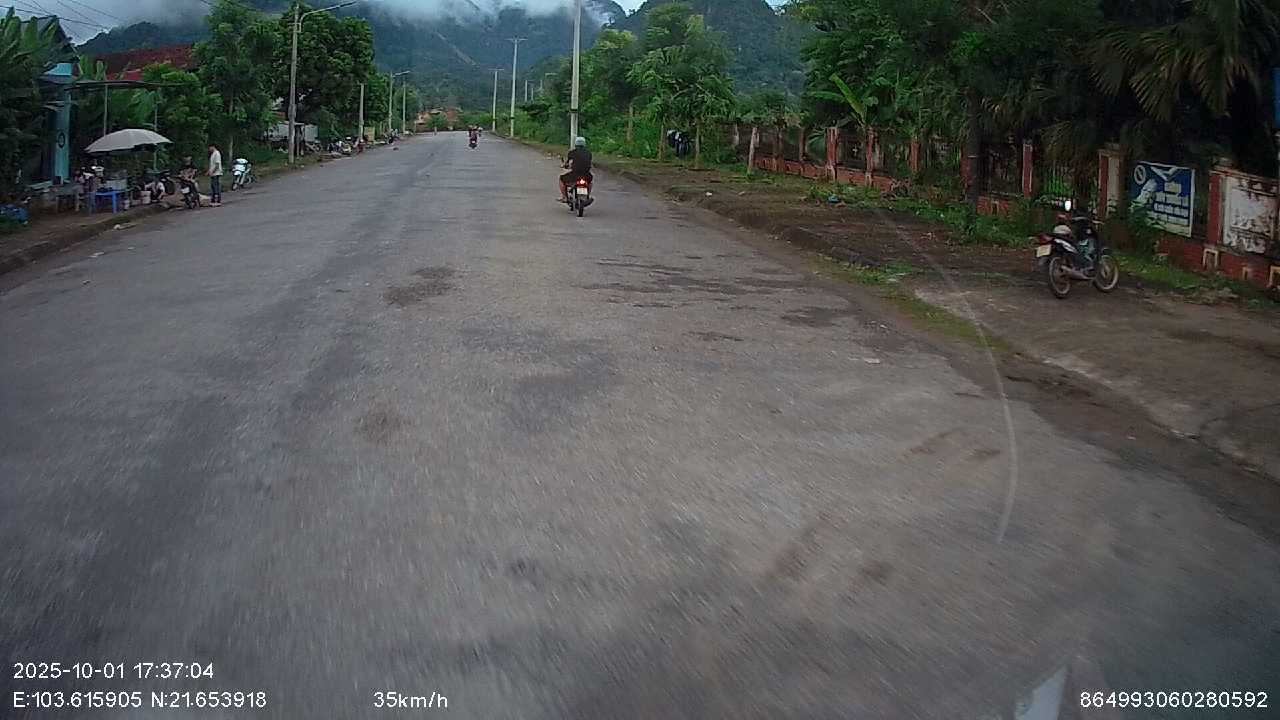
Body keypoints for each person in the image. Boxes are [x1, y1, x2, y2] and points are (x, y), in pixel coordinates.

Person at [559, 136, 593, 203]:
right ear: (584, 144)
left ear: (575, 144)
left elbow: (567, 163)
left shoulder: (572, 152)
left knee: (561, 179)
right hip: (586, 175)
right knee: (590, 182)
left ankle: (565, 197)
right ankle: (587, 196)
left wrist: (564, 165)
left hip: (575, 175)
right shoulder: (589, 153)